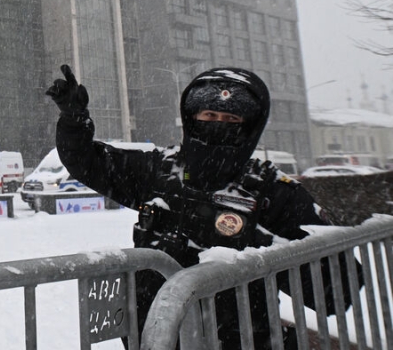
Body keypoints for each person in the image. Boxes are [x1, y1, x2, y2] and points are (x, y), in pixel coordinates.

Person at [46, 64, 354, 349]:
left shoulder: (275, 192)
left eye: (231, 119)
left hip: (242, 340)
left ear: (249, 126)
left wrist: (265, 252)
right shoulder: (159, 171)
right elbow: (87, 162)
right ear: (193, 118)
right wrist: (74, 120)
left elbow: (338, 293)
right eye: (210, 115)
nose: (218, 124)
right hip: (156, 338)